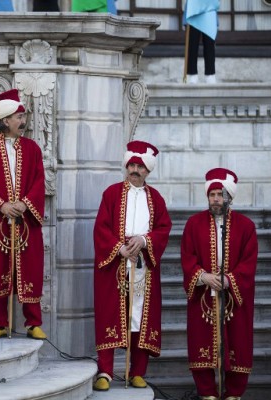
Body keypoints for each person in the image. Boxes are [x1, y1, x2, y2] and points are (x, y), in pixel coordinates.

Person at [92, 140, 171, 391]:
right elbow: (101, 227)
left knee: (139, 317)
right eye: (132, 165)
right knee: (110, 314)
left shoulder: (156, 198)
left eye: (140, 166)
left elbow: (163, 228)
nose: (135, 170)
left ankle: (137, 371)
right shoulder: (112, 193)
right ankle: (105, 371)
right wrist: (120, 248)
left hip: (142, 268)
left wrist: (145, 241)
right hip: (115, 264)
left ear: (148, 170)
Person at [0, 89, 47, 340]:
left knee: (31, 269)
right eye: (18, 117)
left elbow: (39, 180)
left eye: (22, 116)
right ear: (5, 121)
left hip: (26, 219)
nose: (23, 121)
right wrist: (1, 206)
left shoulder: (33, 148)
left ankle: (33, 322)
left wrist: (26, 204)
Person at [180, 168, 258, 400]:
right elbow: (187, 255)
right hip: (203, 294)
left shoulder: (246, 226)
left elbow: (249, 260)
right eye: (212, 194)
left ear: (229, 197)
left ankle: (234, 393)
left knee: (237, 341)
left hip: (234, 295)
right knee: (200, 341)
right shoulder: (193, 224)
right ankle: (207, 393)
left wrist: (228, 279)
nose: (215, 199)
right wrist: (202, 276)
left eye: (220, 194)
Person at [184, 0, 219, 84]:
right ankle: (192, 74)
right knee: (192, 44)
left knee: (209, 44)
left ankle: (210, 74)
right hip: (193, 8)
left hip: (209, 8)